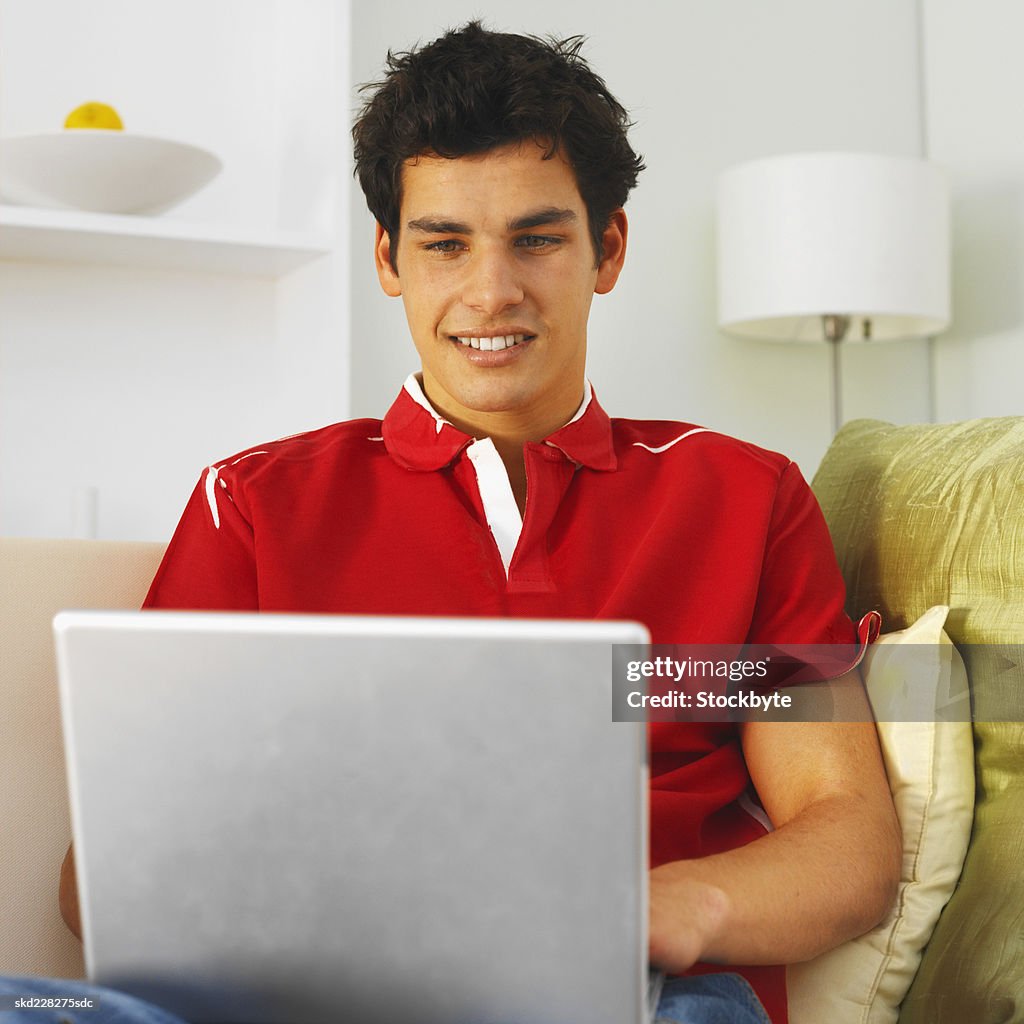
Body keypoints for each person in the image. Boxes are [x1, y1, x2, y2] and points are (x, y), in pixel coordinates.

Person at [15, 20, 900, 1024]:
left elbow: (847, 840)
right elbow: (98, 883)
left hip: (636, 993)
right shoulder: (254, 504)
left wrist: (657, 908)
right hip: (312, 993)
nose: (492, 291)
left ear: (605, 248)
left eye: (537, 237)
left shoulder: (745, 498)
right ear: (389, 258)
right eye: (444, 243)